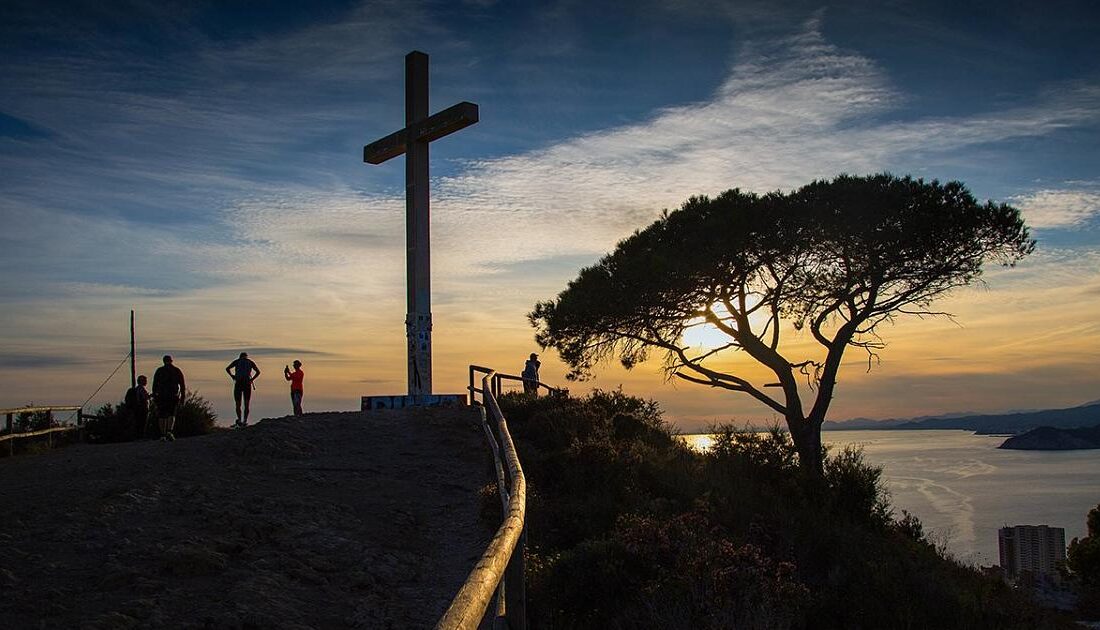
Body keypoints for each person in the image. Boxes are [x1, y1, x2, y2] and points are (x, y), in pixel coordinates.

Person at [152, 355, 185, 442]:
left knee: (162, 415)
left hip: (162, 396)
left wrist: (155, 396)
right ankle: (169, 431)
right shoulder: (176, 370)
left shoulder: (159, 371)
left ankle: (163, 434)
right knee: (171, 414)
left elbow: (154, 385)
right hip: (172, 396)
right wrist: (182, 397)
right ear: (171, 361)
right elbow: (182, 384)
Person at [225, 352, 260, 428]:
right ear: (246, 356)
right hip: (247, 383)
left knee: (238, 404)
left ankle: (240, 420)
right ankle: (245, 421)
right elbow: (258, 372)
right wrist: (252, 380)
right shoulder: (250, 362)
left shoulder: (237, 361)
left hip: (238, 383)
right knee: (246, 404)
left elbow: (227, 369)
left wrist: (232, 376)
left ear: (240, 356)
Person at [124, 374, 150, 440]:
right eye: (145, 380)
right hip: (142, 409)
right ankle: (141, 436)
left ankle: (138, 436)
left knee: (138, 423)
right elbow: (143, 398)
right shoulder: (140, 389)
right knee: (142, 423)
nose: (146, 382)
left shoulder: (137, 389)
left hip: (137, 409)